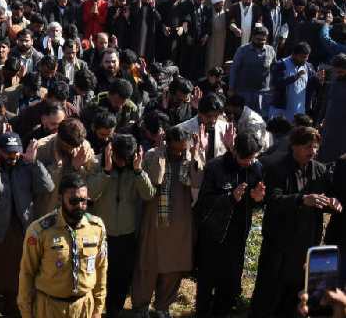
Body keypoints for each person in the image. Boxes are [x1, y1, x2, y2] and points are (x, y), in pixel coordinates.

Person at [250, 126, 342, 318]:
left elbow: (324, 198)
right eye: (308, 147)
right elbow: (272, 200)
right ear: (294, 146)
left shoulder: (319, 170)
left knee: (298, 292)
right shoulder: (277, 169)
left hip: (306, 241)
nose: (313, 151)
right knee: (270, 291)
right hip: (279, 243)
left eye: (315, 147)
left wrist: (332, 203)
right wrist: (301, 199)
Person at [0, 132, 54, 318]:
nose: (13, 156)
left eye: (16, 152)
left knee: (18, 281)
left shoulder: (27, 166)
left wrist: (34, 163)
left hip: (21, 233)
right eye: (8, 153)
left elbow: (48, 187)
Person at [131, 125, 205, 318]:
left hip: (180, 222)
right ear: (167, 143)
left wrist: (196, 154)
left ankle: (163, 306)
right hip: (154, 221)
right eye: (175, 149)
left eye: (182, 149)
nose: (179, 153)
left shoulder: (191, 156)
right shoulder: (152, 155)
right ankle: (141, 306)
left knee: (174, 266)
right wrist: (160, 154)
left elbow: (197, 182)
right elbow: (154, 181)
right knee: (148, 265)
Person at [194, 130, 265, 318]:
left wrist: (258, 199)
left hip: (239, 233)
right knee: (207, 280)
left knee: (230, 282)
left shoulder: (256, 168)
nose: (249, 162)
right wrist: (230, 198)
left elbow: (258, 199)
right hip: (214, 233)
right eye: (245, 159)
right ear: (235, 151)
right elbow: (204, 202)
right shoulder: (216, 167)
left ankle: (222, 311)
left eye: (252, 158)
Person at [17, 172, 108, 318]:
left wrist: (98, 308)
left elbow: (101, 268)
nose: (79, 205)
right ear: (60, 199)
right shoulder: (39, 231)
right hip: (50, 309)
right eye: (73, 201)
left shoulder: (96, 228)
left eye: (84, 200)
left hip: (84, 308)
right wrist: (26, 313)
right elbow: (27, 273)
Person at [87, 134, 153, 318]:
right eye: (119, 158)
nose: (123, 163)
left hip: (126, 234)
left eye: (126, 159)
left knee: (121, 278)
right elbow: (90, 193)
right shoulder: (96, 164)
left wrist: (138, 171)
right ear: (111, 152)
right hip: (101, 234)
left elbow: (148, 194)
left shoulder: (136, 167)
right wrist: (106, 172)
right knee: (98, 275)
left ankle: (114, 311)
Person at [229, 25, 276, 116]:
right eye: (258, 39)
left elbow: (274, 69)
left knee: (261, 119)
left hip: (263, 93)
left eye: (263, 40)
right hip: (244, 92)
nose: (261, 42)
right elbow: (234, 70)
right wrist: (231, 88)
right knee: (244, 117)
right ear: (253, 37)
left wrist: (273, 87)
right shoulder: (242, 50)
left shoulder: (270, 51)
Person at [269, 41, 322, 122]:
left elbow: (312, 86)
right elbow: (276, 84)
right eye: (302, 57)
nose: (305, 60)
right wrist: (295, 77)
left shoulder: (309, 67)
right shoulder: (281, 65)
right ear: (294, 54)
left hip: (300, 112)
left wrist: (318, 79)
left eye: (306, 57)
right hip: (281, 111)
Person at [318, 53, 346, 163]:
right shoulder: (334, 81)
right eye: (336, 71)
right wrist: (320, 121)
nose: (337, 74)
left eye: (341, 72)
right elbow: (326, 103)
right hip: (329, 128)